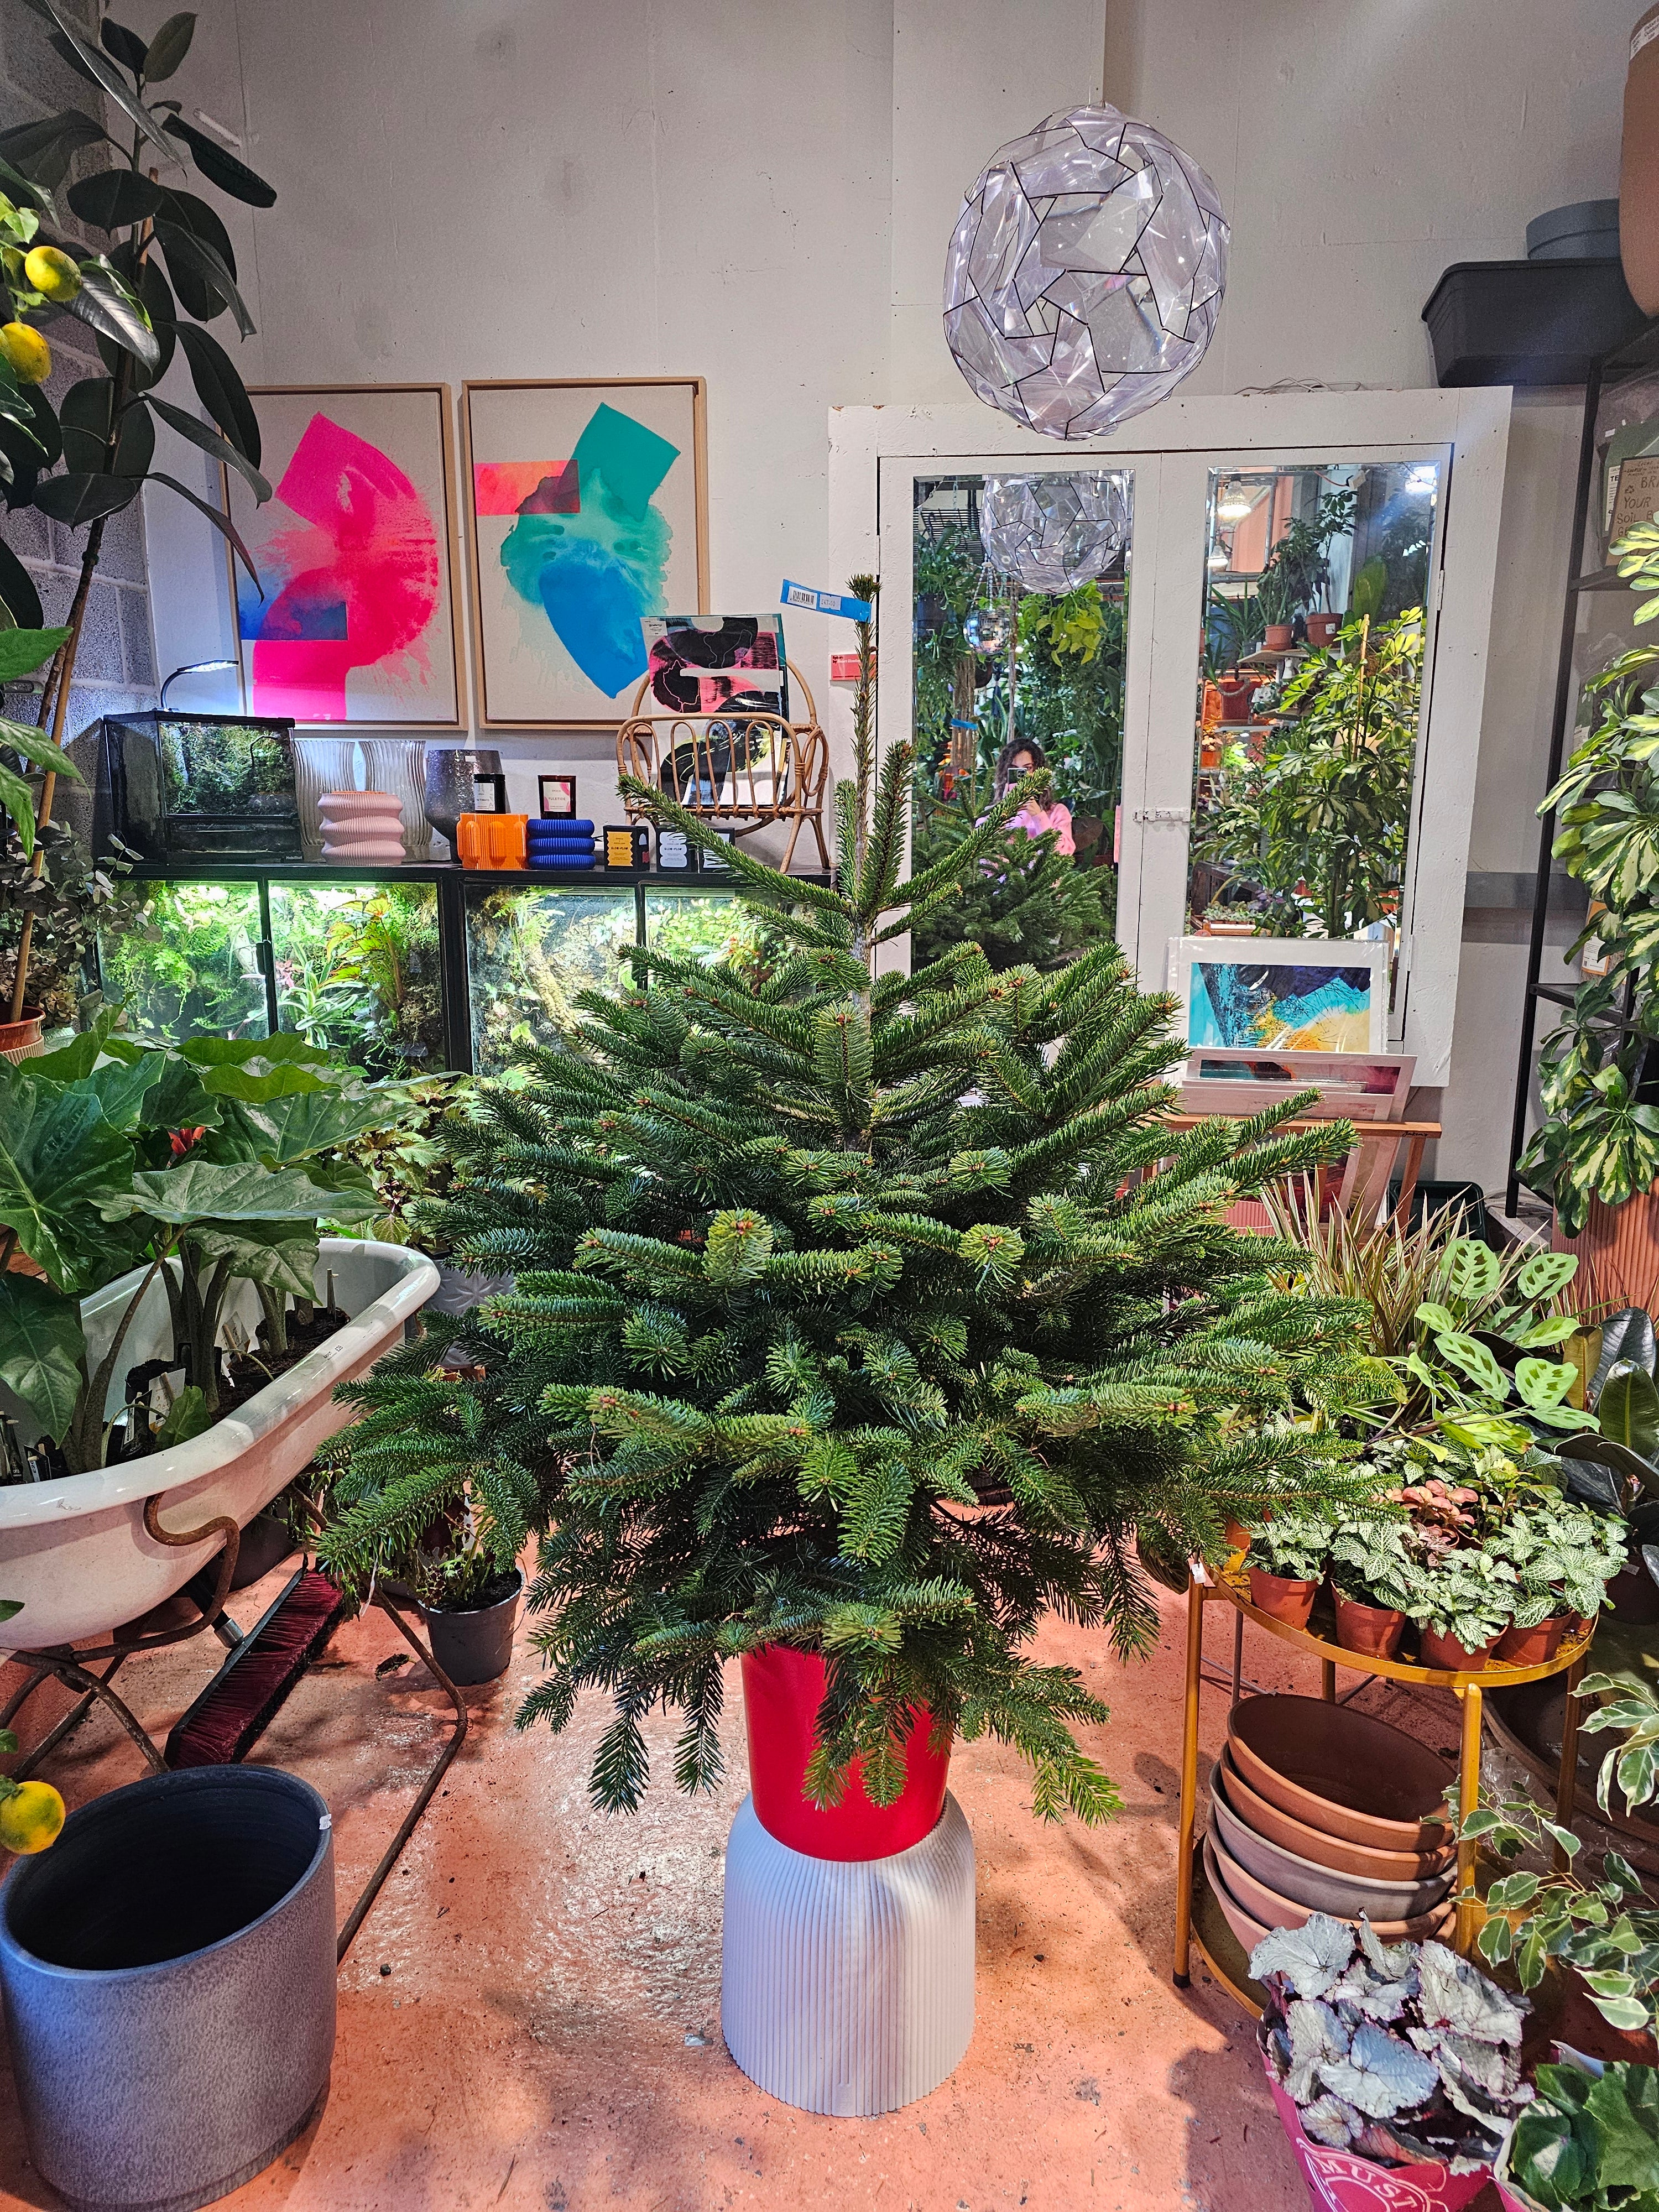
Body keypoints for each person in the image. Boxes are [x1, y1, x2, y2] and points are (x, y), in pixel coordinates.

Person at [993, 737, 1074, 855]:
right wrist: (1003, 813)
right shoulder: (992, 814)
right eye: (1014, 769)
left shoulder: (1058, 812)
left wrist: (1039, 817)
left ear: (1038, 770)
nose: (1022, 776)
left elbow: (1064, 854)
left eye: (1027, 768)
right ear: (1005, 773)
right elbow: (985, 861)